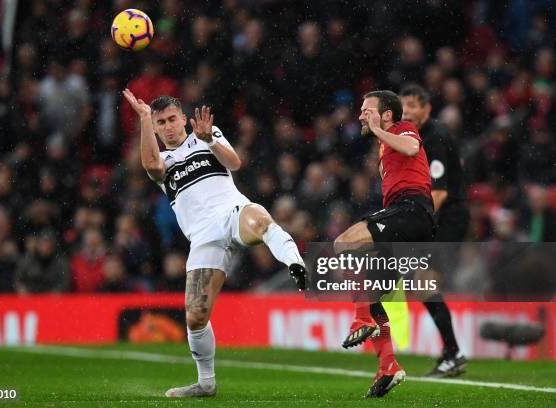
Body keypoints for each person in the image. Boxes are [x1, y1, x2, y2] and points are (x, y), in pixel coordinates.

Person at [122, 89, 306, 398]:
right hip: (203, 236)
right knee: (195, 317)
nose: (168, 126)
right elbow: (151, 166)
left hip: (231, 213)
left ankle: (294, 261)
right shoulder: (163, 160)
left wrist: (209, 139)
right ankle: (206, 383)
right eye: (160, 122)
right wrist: (142, 118)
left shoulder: (205, 135)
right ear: (154, 128)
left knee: (259, 219)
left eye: (172, 119)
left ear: (184, 118)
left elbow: (234, 163)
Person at [334, 90, 434, 397]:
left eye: (368, 110)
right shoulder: (383, 147)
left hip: (412, 211)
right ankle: (388, 365)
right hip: (405, 220)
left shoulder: (404, 128)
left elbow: (412, 146)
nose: (362, 115)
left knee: (342, 244)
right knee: (371, 292)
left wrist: (378, 130)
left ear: (387, 113)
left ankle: (361, 319)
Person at [401, 84, 468, 377]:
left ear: (427, 108)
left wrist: (415, 225)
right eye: (404, 108)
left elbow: (438, 194)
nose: (408, 113)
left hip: (447, 217)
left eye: (414, 106)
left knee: (424, 284)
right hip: (439, 218)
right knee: (421, 286)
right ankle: (452, 353)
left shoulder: (435, 138)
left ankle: (453, 353)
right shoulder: (418, 136)